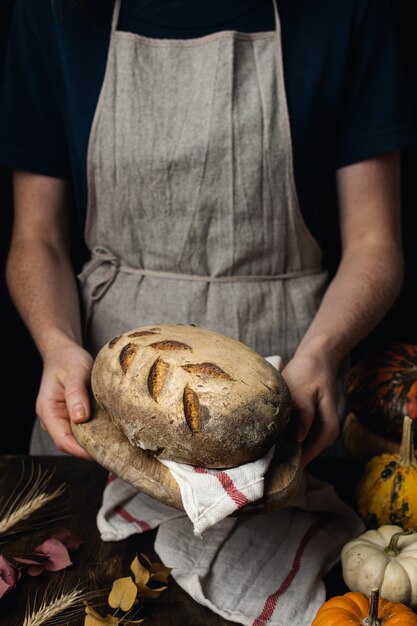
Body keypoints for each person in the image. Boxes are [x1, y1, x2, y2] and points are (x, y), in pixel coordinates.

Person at [0, 0, 414, 466]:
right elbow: (38, 238)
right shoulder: (53, 13)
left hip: (291, 377)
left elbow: (373, 243)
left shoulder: (347, 12)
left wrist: (323, 352)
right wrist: (56, 345)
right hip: (104, 401)